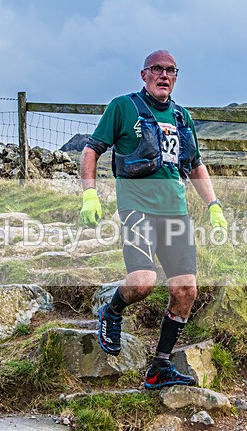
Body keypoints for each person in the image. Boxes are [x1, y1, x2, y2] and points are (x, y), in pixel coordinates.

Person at [79, 49, 227, 389]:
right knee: (143, 281)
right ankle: (111, 311)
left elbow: (194, 165)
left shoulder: (182, 117)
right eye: (156, 69)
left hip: (175, 214)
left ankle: (159, 367)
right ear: (144, 74)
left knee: (186, 290)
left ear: (176, 77)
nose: (164, 75)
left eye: (170, 70)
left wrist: (214, 205)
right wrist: (90, 193)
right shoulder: (122, 107)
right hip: (138, 210)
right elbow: (92, 150)